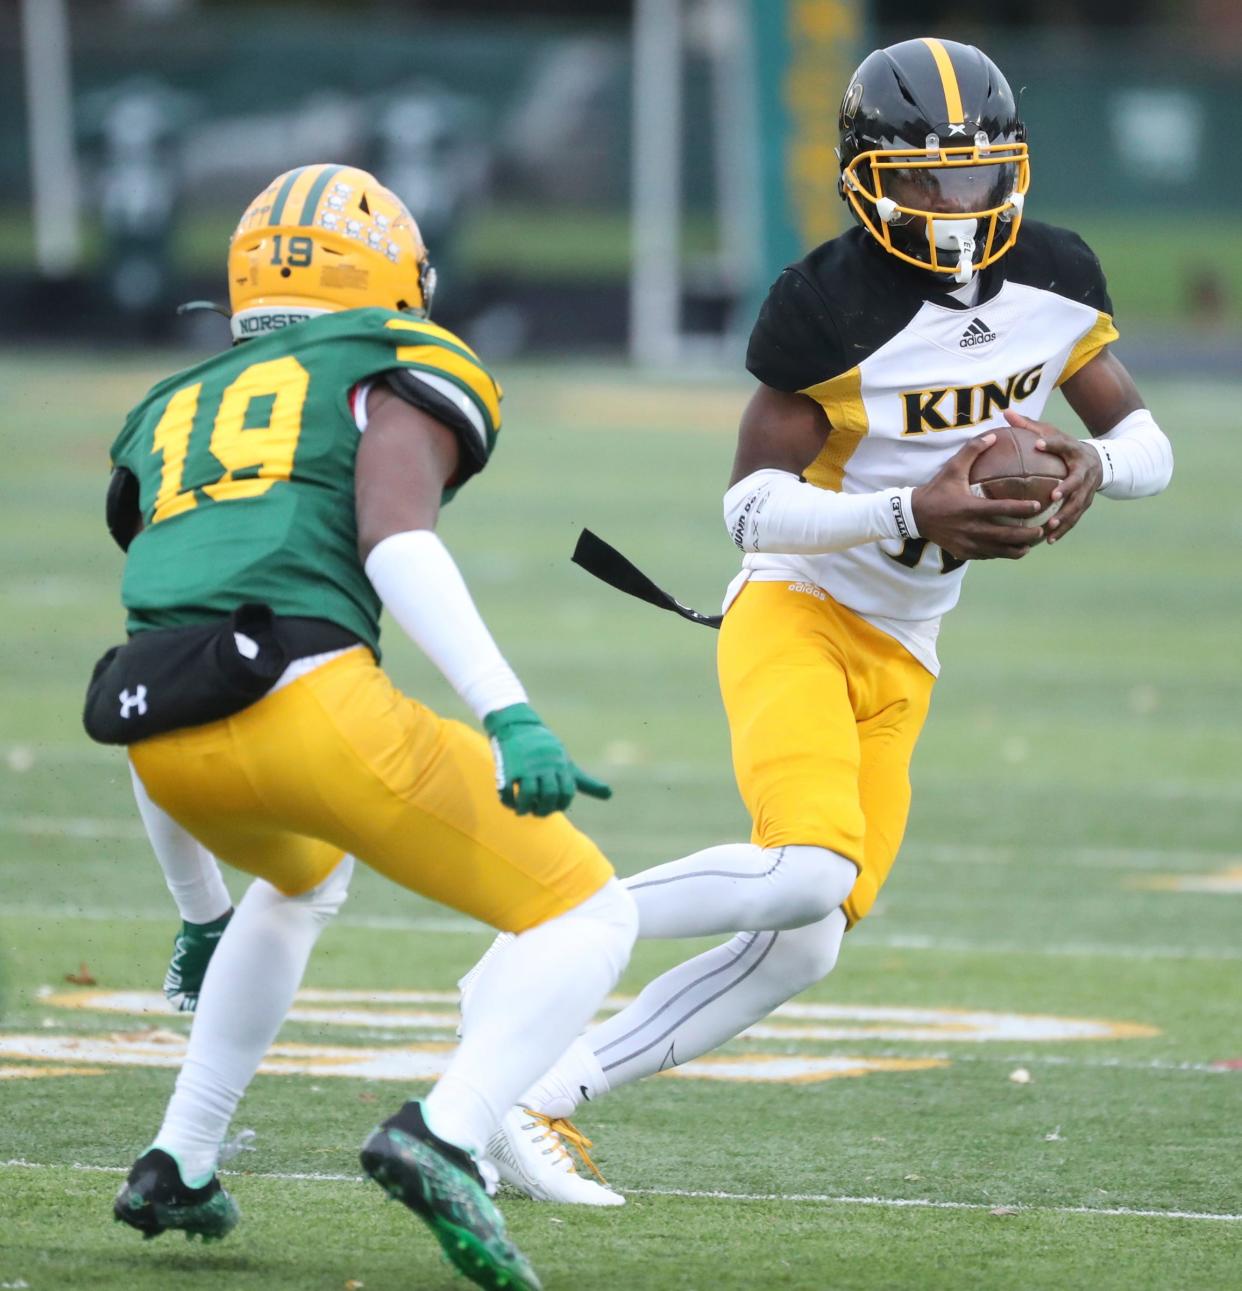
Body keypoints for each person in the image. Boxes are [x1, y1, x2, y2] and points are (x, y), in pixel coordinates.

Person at [467, 37, 1175, 1203]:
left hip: (910, 641)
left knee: (812, 935)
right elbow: (748, 509)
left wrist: (1094, 464)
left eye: (977, 176)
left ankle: (542, 1092)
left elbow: (1148, 438)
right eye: (923, 181)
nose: (954, 209)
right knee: (802, 870)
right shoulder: (827, 301)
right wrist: (910, 504)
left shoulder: (1056, 274)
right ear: (863, 179)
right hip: (799, 610)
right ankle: (548, 927)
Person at [96, 163, 639, 1291]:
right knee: (588, 909)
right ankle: (443, 1133)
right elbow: (397, 539)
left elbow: (167, 645)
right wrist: (510, 712)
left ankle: (179, 1160)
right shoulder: (398, 359)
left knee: (297, 881)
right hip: (309, 705)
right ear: (390, 277)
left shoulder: (169, 408)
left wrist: (198, 915)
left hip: (163, 740)